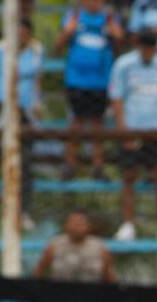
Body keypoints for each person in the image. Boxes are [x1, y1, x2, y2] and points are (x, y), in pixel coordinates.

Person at [108, 31, 157, 242]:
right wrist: (124, 130)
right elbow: (117, 98)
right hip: (132, 128)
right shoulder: (123, 65)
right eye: (144, 47)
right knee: (129, 176)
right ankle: (128, 224)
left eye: (151, 48)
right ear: (137, 45)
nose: (148, 52)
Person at [0, 21, 43, 227]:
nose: (21, 37)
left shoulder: (36, 50)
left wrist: (37, 101)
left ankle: (23, 212)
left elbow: (37, 79)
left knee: (26, 160)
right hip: (1, 105)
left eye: (24, 33)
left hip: (25, 109)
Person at [57, 0, 124, 179]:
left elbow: (120, 42)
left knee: (97, 124)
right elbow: (58, 46)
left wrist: (115, 32)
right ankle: (70, 165)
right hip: (76, 81)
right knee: (76, 123)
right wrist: (69, 30)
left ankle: (98, 167)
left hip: (100, 81)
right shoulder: (74, 16)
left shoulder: (109, 18)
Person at [35, 210, 115, 282]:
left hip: (92, 295)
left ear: (88, 226)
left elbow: (110, 277)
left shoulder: (100, 248)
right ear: (66, 225)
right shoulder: (54, 246)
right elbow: (39, 272)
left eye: (80, 223)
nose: (76, 227)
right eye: (73, 223)